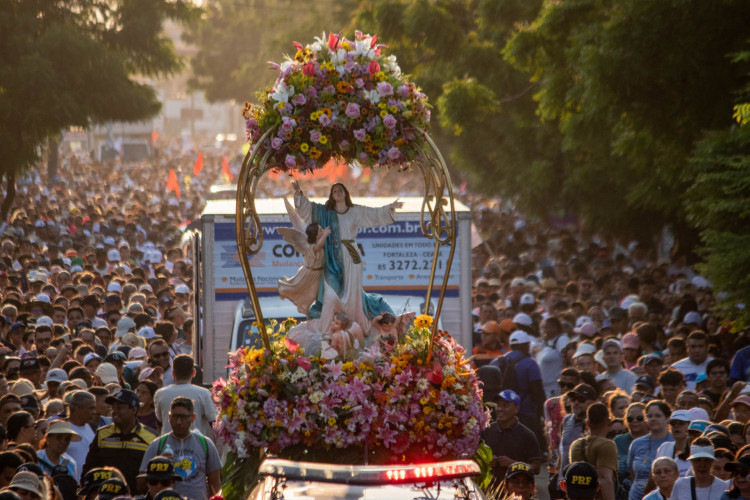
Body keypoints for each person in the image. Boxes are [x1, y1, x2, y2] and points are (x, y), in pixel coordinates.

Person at [292, 180, 402, 332]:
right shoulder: (324, 212)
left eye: (340, 189)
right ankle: (328, 331)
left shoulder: (355, 211)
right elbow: (307, 210)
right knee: (330, 293)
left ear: (345, 193)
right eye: (334, 190)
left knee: (352, 292)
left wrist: (389, 208)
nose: (337, 192)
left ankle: (356, 326)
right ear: (331, 195)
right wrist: (298, 193)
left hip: (351, 255)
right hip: (331, 257)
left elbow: (374, 215)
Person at [139, 397, 221, 500]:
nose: (178, 422)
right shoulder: (157, 445)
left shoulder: (206, 444)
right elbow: (141, 483)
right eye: (175, 416)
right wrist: (159, 466)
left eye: (183, 417)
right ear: (169, 417)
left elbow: (215, 485)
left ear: (193, 418)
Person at [82, 389, 158, 491]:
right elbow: (89, 468)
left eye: (120, 407)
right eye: (113, 407)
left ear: (134, 410)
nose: (114, 412)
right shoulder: (102, 434)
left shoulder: (151, 437)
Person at [490, 330, 546, 448]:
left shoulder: (495, 363)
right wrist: (542, 414)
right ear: (526, 346)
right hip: (526, 413)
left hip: (501, 413)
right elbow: (537, 392)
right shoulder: (530, 363)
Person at [277, 197, 331, 317]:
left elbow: (298, 220)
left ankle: (313, 313)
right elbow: (318, 247)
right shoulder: (310, 247)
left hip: (318, 274)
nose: (323, 231)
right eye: (320, 231)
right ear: (316, 236)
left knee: (316, 295)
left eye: (322, 230)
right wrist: (325, 235)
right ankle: (285, 291)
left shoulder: (320, 244)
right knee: (309, 294)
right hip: (310, 274)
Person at [481, 390, 541, 489]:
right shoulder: (486, 431)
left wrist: (514, 465)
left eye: (505, 405)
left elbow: (536, 468)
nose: (500, 409)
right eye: (498, 405)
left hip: (518, 491)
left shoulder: (527, 435)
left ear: (516, 409)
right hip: (489, 491)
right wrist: (486, 460)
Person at [153, 355, 216, 440]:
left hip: (168, 446)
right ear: (194, 373)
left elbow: (159, 422)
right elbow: (214, 422)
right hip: (196, 445)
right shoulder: (204, 393)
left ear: (173, 373)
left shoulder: (160, 394)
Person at [569, 403, 617, 500]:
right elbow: (604, 478)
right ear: (609, 422)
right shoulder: (607, 445)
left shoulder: (575, 445)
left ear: (587, 423)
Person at [556, 384, 597, 497]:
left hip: (582, 485)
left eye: (581, 399)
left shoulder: (595, 425)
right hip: (562, 482)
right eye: (573, 399)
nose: (576, 403)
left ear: (592, 402)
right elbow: (563, 449)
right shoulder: (567, 420)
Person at [628, 401, 674, 500]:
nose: (653, 419)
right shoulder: (637, 443)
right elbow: (633, 474)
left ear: (667, 418)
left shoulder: (673, 441)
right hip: (635, 496)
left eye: (658, 416)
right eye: (649, 416)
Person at [64, 390, 96, 482]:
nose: (94, 412)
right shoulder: (61, 428)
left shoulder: (93, 428)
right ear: (77, 408)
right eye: (91, 408)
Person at [655, 409, 692, 477]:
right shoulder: (664, 447)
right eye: (673, 424)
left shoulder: (694, 449)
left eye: (681, 423)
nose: (676, 426)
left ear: (690, 426)